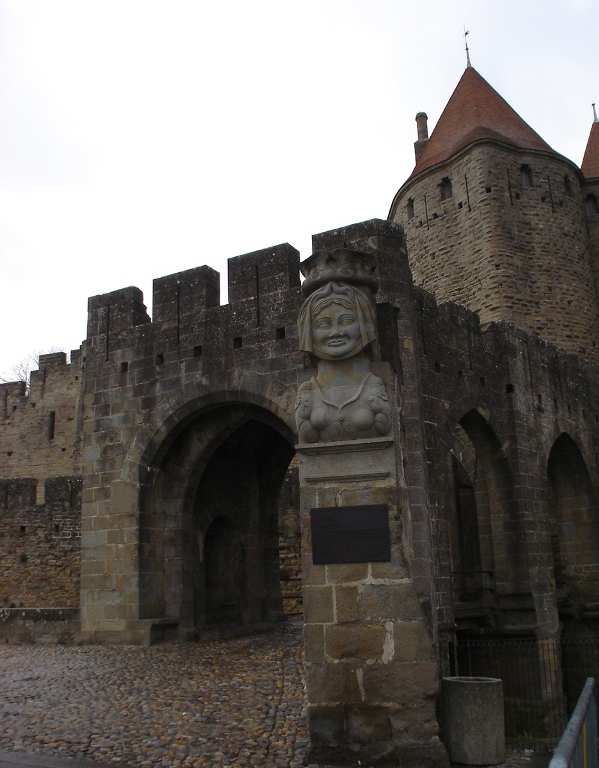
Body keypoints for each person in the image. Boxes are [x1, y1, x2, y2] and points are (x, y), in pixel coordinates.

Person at [295, 281, 392, 443]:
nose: (336, 333)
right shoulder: (307, 390)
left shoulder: (374, 384)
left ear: (363, 323)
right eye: (323, 324)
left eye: (346, 321)